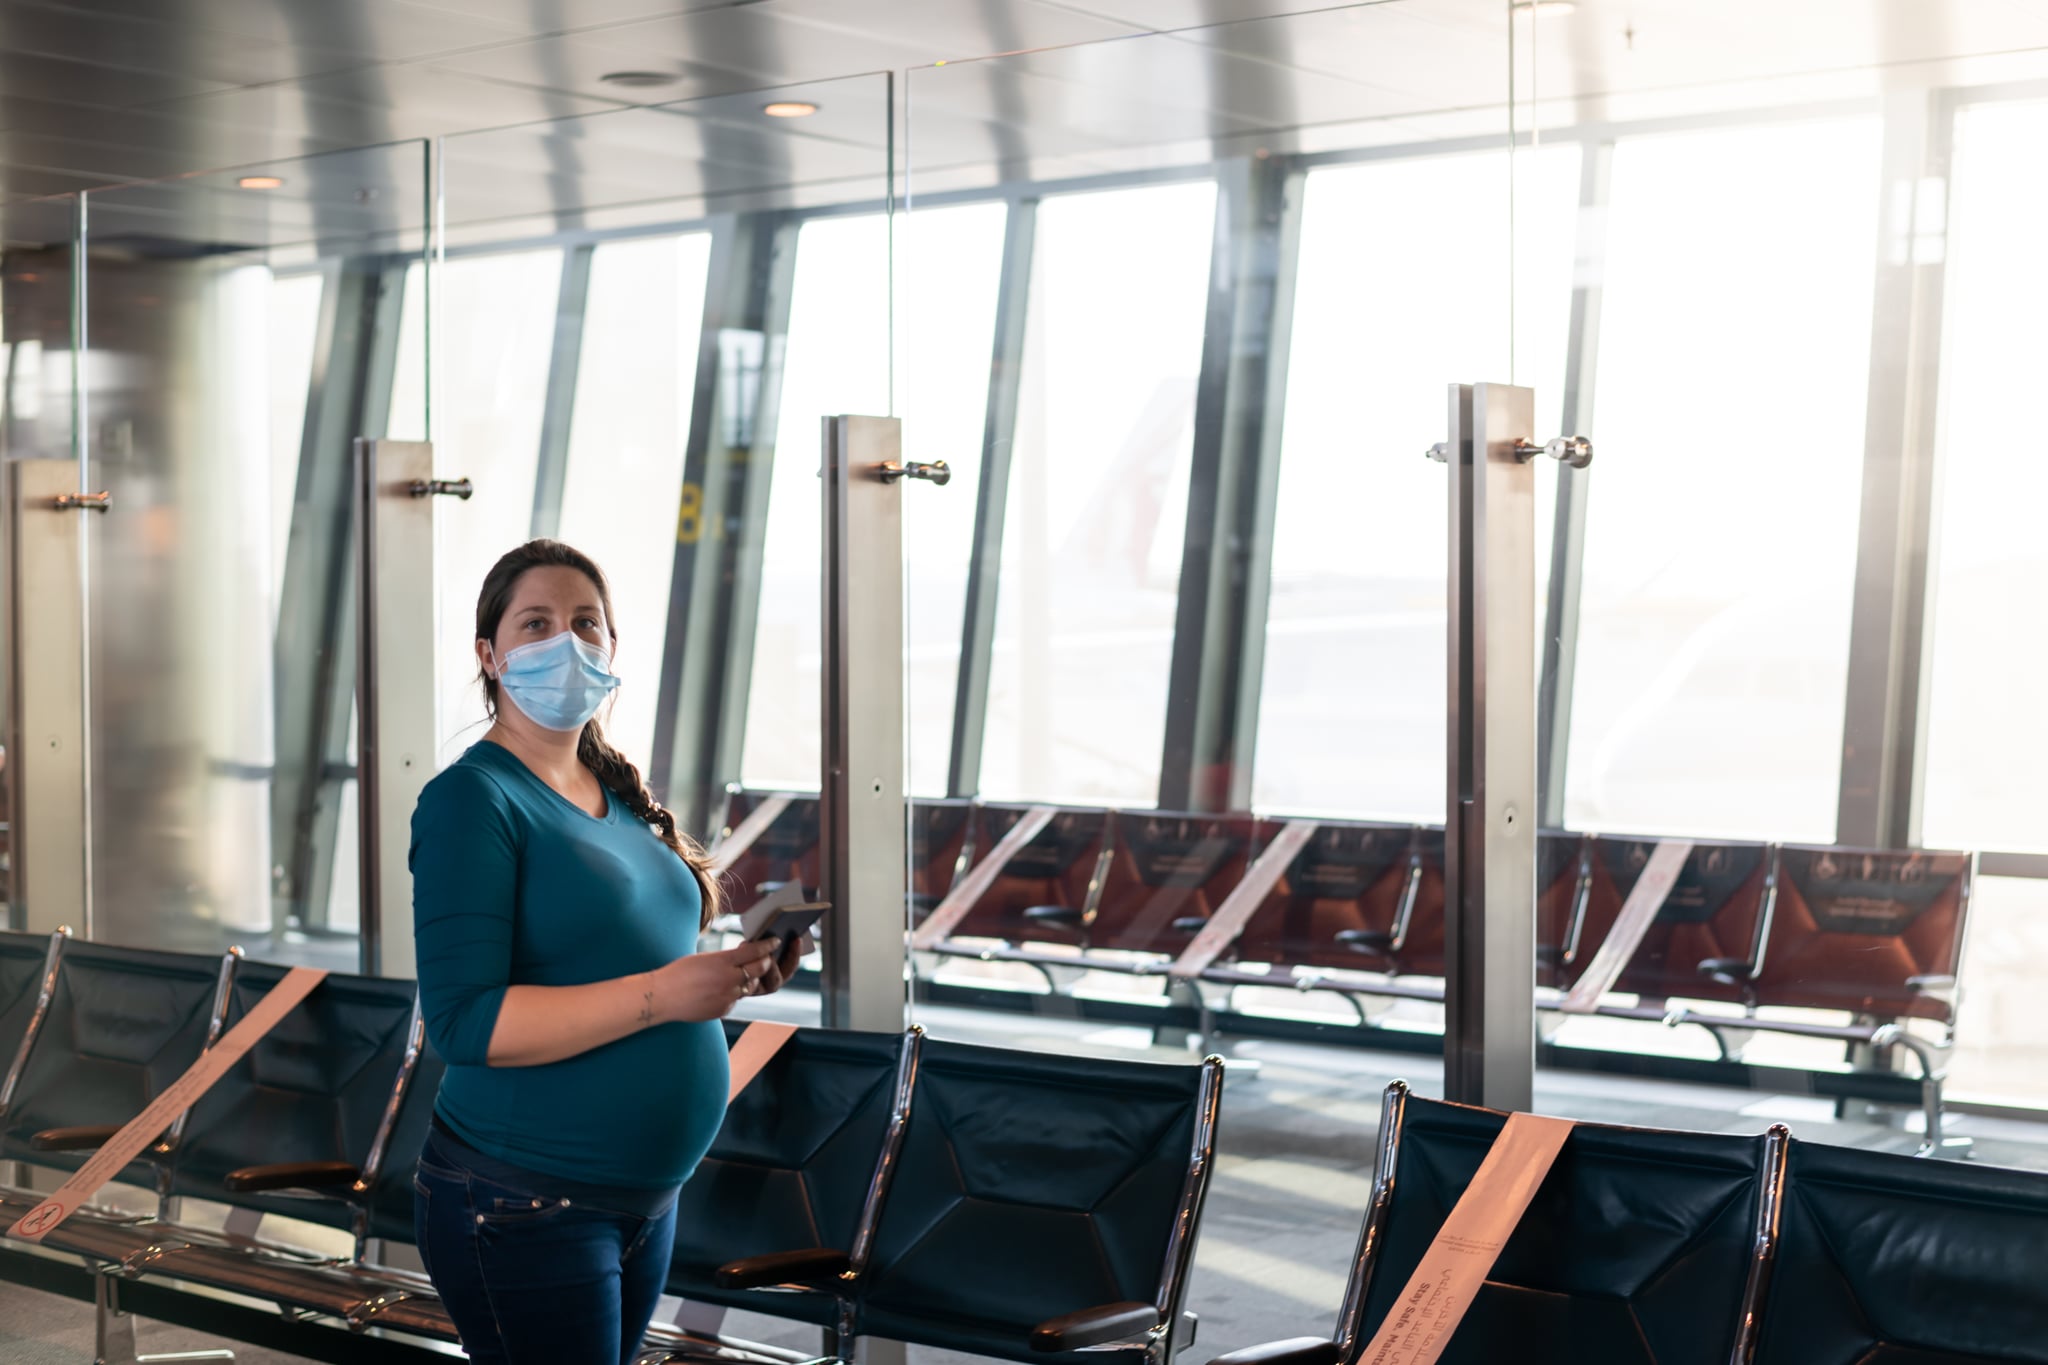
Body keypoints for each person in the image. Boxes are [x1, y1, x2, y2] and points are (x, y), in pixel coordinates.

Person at [409, 539, 804, 1364]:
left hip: (642, 1201)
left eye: (587, 622)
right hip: (523, 1199)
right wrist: (666, 996)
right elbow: (462, 1024)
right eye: (537, 623)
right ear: (489, 653)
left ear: (613, 646)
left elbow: (626, 959)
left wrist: (732, 973)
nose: (568, 642)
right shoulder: (470, 801)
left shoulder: (614, 795)